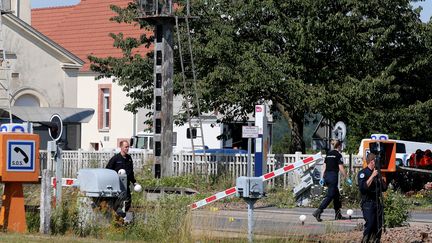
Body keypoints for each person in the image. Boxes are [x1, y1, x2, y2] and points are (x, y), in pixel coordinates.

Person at [313, 139, 351, 222]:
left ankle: (338, 214)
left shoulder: (328, 154)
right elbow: (341, 168)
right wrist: (347, 178)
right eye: (341, 146)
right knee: (330, 195)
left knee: (336, 195)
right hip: (333, 177)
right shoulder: (338, 155)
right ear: (339, 146)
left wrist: (322, 178)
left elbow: (324, 167)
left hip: (327, 176)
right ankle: (318, 211)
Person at [358, 153, 387, 243]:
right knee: (370, 223)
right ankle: (365, 240)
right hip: (368, 203)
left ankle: (376, 240)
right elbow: (363, 187)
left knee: (378, 226)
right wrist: (372, 176)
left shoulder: (377, 173)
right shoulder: (363, 173)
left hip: (377, 203)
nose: (378, 163)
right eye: (376, 161)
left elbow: (384, 188)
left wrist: (381, 177)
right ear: (372, 161)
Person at [106, 140, 137, 214]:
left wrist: (134, 182)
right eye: (125, 147)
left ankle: (123, 216)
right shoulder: (115, 158)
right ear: (121, 147)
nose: (127, 148)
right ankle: (116, 216)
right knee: (118, 202)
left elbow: (131, 172)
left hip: (126, 185)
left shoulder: (129, 158)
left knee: (128, 201)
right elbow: (108, 170)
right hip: (117, 185)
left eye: (128, 147)